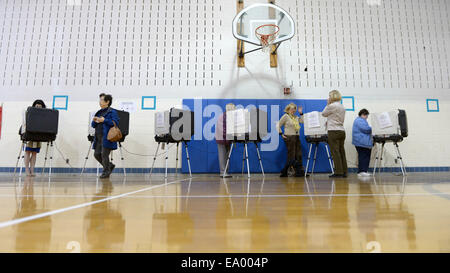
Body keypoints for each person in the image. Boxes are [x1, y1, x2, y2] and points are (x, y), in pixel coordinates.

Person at [91, 93, 120, 179]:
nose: (100, 102)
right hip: (98, 137)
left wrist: (104, 120)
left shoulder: (112, 112)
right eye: (99, 100)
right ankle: (109, 166)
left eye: (102, 100)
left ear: (107, 102)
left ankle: (106, 171)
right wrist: (94, 120)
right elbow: (93, 125)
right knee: (96, 154)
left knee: (104, 154)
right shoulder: (99, 112)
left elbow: (115, 123)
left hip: (107, 137)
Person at [322, 90, 348, 178]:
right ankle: (344, 171)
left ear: (332, 97)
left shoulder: (332, 106)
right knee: (341, 151)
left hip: (333, 130)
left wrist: (328, 104)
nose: (328, 98)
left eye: (329, 96)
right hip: (341, 130)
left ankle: (338, 172)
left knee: (335, 152)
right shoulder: (342, 106)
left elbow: (323, 114)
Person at [277, 103, 308, 177]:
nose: (293, 110)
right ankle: (285, 171)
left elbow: (302, 121)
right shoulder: (286, 116)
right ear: (288, 109)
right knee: (291, 155)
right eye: (291, 109)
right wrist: (281, 134)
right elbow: (278, 125)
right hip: (289, 137)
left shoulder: (296, 117)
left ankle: (299, 172)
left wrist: (301, 113)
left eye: (294, 109)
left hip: (297, 136)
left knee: (298, 154)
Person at [23, 100, 46, 176]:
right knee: (27, 152)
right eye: (36, 106)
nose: (38, 108)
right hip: (29, 135)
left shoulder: (44, 115)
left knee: (34, 153)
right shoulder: (29, 113)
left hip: (38, 136)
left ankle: (32, 170)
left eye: (40, 107)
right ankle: (26, 170)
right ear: (34, 106)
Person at [215, 103, 235, 178]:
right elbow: (223, 130)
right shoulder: (224, 117)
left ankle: (225, 172)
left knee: (226, 156)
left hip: (226, 138)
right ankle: (223, 172)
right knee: (222, 156)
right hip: (221, 138)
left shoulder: (227, 116)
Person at [352, 109, 373, 177]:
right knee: (364, 157)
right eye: (366, 116)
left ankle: (362, 171)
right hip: (361, 142)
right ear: (363, 114)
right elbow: (366, 129)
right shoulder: (360, 120)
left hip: (361, 142)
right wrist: (373, 128)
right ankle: (362, 171)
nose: (367, 117)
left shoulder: (360, 120)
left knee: (363, 156)